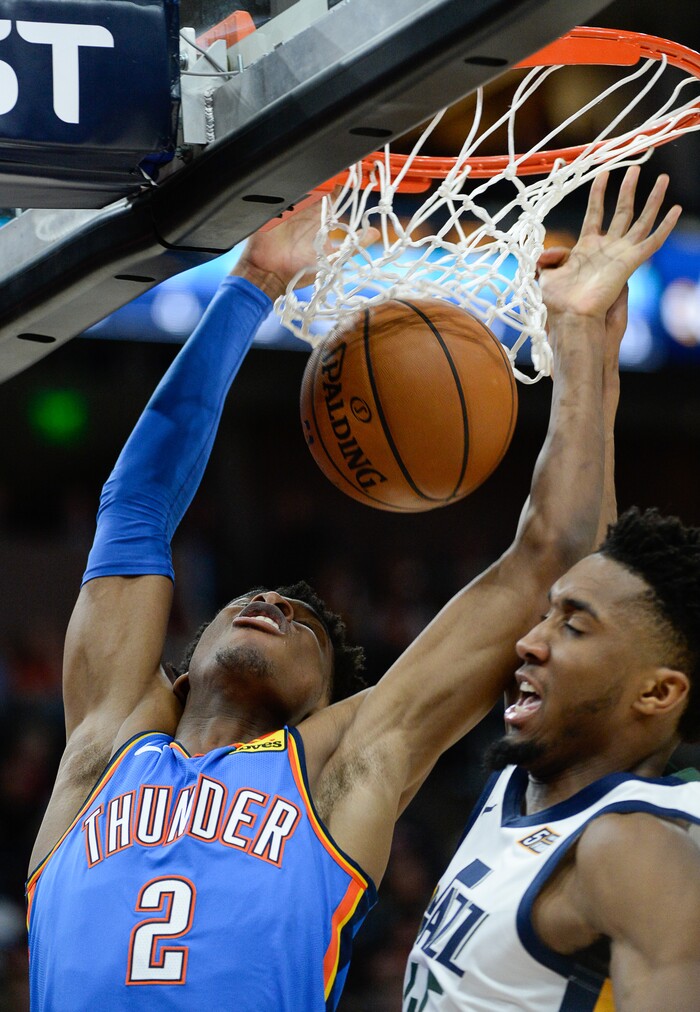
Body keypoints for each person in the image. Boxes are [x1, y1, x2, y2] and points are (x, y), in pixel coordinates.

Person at [25, 166, 679, 1011]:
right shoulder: (104, 745)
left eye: (301, 626)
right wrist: (252, 285)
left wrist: (582, 338)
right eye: (255, 604)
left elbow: (552, 554)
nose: (273, 606)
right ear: (181, 668)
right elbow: (137, 505)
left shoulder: (339, 766)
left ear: (325, 702)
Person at [404, 338, 700, 999]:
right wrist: (586, 343)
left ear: (657, 692)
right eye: (546, 613)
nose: (529, 642)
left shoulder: (632, 846)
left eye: (570, 625)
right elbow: (589, 553)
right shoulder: (527, 781)